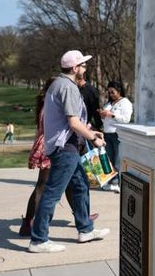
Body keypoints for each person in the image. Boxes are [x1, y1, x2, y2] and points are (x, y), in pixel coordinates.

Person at [28, 50, 109, 253]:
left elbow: (70, 121)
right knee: (52, 193)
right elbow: (73, 122)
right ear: (74, 68)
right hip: (65, 148)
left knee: (80, 186)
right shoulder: (67, 87)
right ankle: (38, 240)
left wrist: (89, 130)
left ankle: (85, 230)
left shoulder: (59, 84)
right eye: (82, 65)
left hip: (67, 146)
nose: (85, 68)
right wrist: (93, 139)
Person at [20, 77, 98, 237]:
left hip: (47, 143)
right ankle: (30, 224)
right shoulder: (52, 104)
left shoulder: (46, 103)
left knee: (70, 185)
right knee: (45, 186)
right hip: (54, 144)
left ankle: (82, 217)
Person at [99, 80, 133, 193]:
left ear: (119, 91)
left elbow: (126, 119)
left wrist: (111, 115)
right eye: (109, 92)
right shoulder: (109, 103)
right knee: (109, 159)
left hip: (117, 134)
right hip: (107, 133)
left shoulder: (125, 102)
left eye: (113, 92)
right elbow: (105, 119)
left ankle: (117, 182)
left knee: (118, 159)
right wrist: (102, 115)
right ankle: (110, 181)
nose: (111, 95)